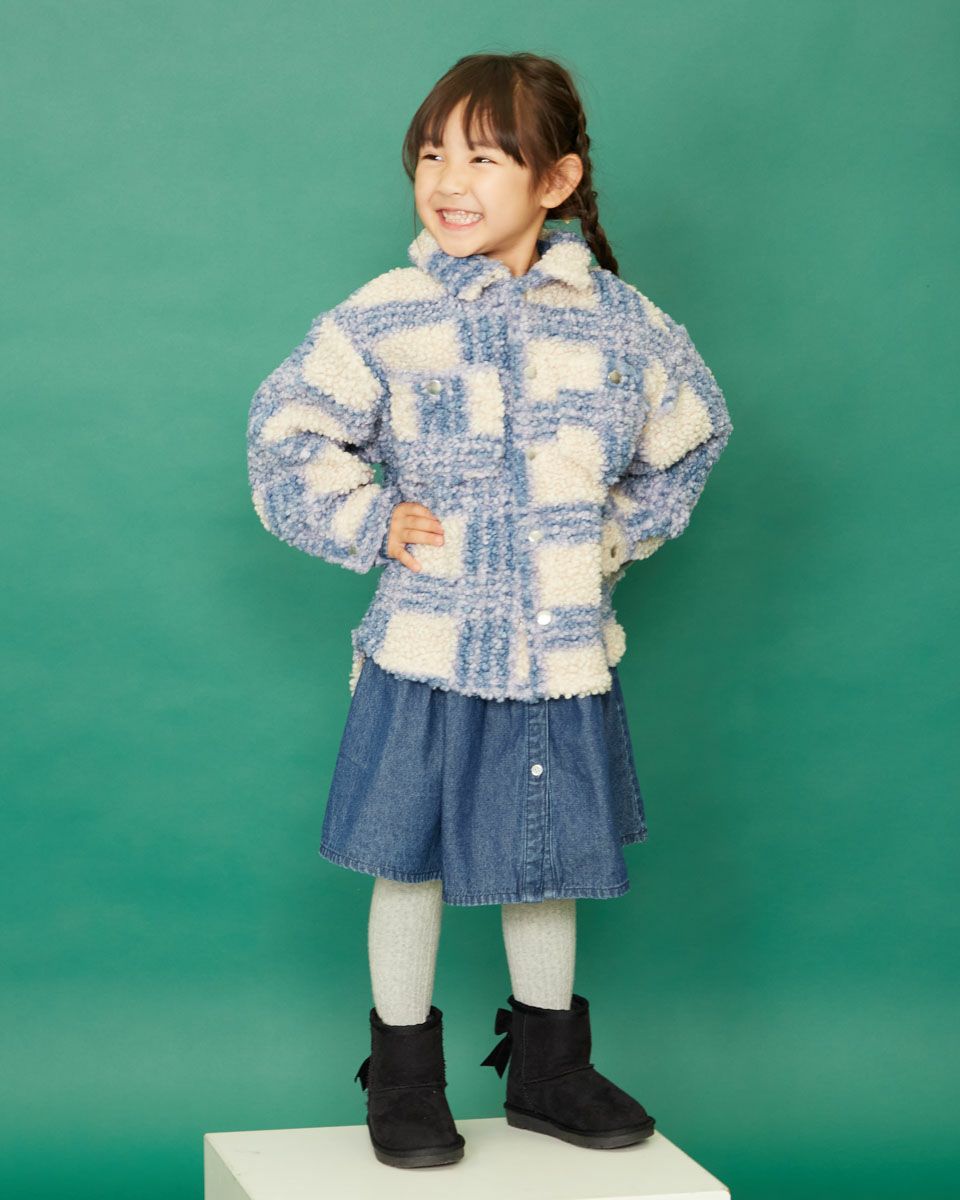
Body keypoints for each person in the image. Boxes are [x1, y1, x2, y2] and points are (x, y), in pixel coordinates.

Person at [246, 51, 733, 1169]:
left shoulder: (622, 325)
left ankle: (548, 1070)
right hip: (427, 643)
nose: (448, 181)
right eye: (430, 156)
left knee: (545, 854)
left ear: (555, 182)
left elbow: (691, 431)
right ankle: (403, 1077)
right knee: (407, 859)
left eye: (481, 158)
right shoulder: (388, 315)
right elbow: (285, 433)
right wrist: (371, 519)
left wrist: (610, 538)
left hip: (557, 650)